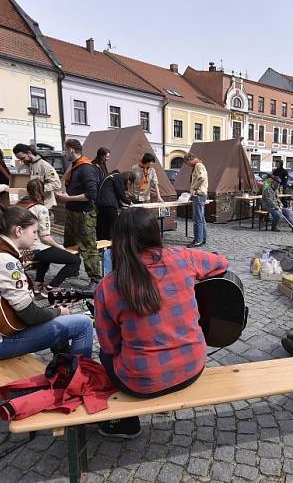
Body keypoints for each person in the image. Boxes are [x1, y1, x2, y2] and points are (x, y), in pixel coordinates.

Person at [93, 208, 229, 437]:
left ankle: (125, 422)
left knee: (104, 356)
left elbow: (110, 346)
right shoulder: (183, 257)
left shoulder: (108, 286)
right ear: (156, 233)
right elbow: (222, 263)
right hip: (193, 366)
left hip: (141, 383)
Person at [0, 204, 93, 360]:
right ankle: (81, 377)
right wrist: (58, 311)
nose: (36, 237)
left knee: (55, 318)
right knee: (82, 324)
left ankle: (62, 362)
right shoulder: (4, 261)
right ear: (18, 231)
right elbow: (29, 315)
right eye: (34, 231)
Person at [19, 179, 81, 295]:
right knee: (75, 261)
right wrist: (60, 246)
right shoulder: (40, 209)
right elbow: (45, 237)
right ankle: (51, 287)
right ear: (43, 191)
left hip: (20, 247)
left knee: (47, 252)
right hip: (32, 248)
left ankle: (38, 284)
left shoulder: (20, 205)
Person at [55, 139, 102, 287]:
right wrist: (65, 195)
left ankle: (95, 280)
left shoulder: (86, 167)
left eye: (65, 149)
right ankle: (73, 269)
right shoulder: (74, 166)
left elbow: (91, 194)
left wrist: (68, 198)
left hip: (84, 214)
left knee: (88, 248)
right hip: (72, 211)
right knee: (69, 244)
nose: (64, 152)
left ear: (71, 150)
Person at [13, 144, 62, 208]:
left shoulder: (45, 166)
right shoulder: (22, 167)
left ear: (29, 153)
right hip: (29, 205)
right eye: (19, 159)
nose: (22, 161)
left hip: (45, 205)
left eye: (23, 158)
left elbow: (56, 184)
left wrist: (37, 188)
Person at [96, 169, 131, 240]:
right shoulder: (118, 177)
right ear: (128, 179)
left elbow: (114, 193)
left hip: (101, 204)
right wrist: (129, 202)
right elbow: (120, 193)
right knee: (114, 226)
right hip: (109, 205)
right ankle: (114, 244)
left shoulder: (110, 176)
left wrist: (121, 205)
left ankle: (104, 245)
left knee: (104, 227)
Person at [184, 152, 208, 247]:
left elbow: (201, 178)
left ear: (190, 159)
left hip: (198, 195)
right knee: (201, 218)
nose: (188, 165)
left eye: (187, 163)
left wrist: (194, 189)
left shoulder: (198, 165)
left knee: (197, 219)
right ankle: (203, 238)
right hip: (200, 195)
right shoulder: (198, 165)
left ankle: (198, 240)